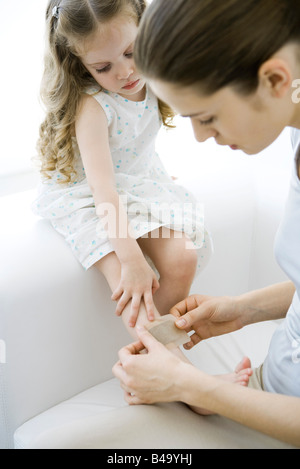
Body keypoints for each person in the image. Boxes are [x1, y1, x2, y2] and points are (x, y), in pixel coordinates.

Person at [113, 0, 300, 447]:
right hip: (267, 388)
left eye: (207, 116)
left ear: (274, 79)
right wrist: (243, 310)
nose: (201, 137)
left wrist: (193, 387)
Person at [32, 0, 214, 339]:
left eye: (131, 53)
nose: (125, 72)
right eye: (103, 67)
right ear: (80, 64)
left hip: (131, 184)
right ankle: (167, 366)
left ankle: (159, 352)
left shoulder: (151, 79)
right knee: (131, 285)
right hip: (90, 196)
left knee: (183, 257)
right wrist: (131, 259)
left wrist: (150, 175)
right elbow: (103, 191)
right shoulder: (93, 105)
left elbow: (136, 142)